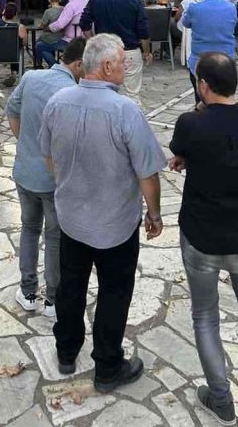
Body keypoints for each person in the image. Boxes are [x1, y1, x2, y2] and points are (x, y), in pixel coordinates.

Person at [41, 33, 166, 392]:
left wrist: (69, 186)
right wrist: (154, 214)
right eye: (123, 61)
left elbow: (49, 157)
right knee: (114, 292)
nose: (127, 65)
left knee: (71, 286)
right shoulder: (125, 111)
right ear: (107, 66)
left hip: (72, 219)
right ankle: (108, 366)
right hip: (115, 224)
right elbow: (147, 172)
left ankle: (66, 351)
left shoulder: (57, 102)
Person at [169, 53, 238, 423]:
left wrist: (189, 155)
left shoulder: (191, 123)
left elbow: (182, 149)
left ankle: (220, 398)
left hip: (201, 235)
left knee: (205, 315)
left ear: (203, 85)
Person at [6, 37, 86, 318]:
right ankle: (53, 298)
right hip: (54, 179)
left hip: (25, 171)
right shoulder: (73, 93)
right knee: (54, 237)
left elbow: (11, 109)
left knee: (29, 229)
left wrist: (25, 143)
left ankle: (28, 291)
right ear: (78, 64)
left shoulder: (31, 77)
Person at [79, 0, 152, 103]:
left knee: (102, 93)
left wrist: (93, 41)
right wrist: (146, 52)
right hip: (129, 51)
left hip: (104, 52)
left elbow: (84, 23)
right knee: (132, 94)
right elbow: (143, 30)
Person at [181, 0, 237, 102]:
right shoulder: (231, 7)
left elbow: (185, 22)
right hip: (225, 60)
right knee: (225, 98)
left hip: (200, 60)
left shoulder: (194, 8)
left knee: (201, 99)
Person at [36, 0, 87, 68]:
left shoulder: (71, 5)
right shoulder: (88, 2)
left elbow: (60, 24)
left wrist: (48, 28)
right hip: (86, 39)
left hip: (70, 41)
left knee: (40, 46)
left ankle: (56, 67)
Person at [0, 2, 26, 87]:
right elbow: (24, 43)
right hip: (11, 55)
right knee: (18, 46)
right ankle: (14, 73)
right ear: (15, 14)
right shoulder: (19, 27)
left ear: (4, 11)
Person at [33, 0, 64, 69]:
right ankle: (51, 64)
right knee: (42, 45)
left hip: (50, 37)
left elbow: (42, 25)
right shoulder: (64, 9)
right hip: (61, 36)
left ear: (49, 0)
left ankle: (40, 64)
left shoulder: (48, 12)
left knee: (37, 44)